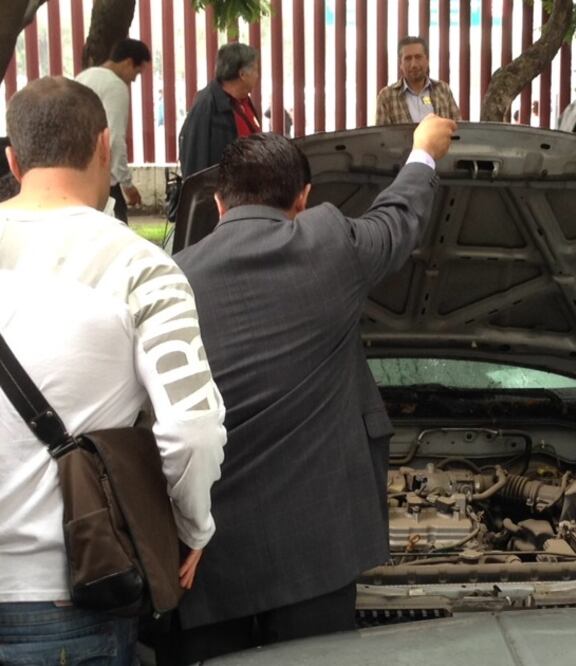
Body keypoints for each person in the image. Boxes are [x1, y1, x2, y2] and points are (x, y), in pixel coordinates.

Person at [169, 115, 456, 661]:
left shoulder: (171, 278)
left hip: (206, 560)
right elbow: (399, 219)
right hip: (316, 554)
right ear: (303, 198)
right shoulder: (331, 243)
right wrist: (423, 151)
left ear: (220, 205)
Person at [0, 77, 225, 664]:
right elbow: (192, 431)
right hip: (68, 604)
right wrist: (192, 530)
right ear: (105, 145)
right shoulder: (142, 269)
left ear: (13, 158)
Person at [75, 38, 150, 223]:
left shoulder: (84, 76)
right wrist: (127, 183)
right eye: (137, 72)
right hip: (103, 178)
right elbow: (114, 138)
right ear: (128, 62)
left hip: (77, 171)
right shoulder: (116, 86)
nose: (134, 79)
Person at [179, 43, 261, 176]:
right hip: (224, 192)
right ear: (242, 74)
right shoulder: (206, 106)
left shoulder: (245, 101)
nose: (257, 76)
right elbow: (194, 162)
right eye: (256, 70)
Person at [376, 36, 461, 125]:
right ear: (400, 64)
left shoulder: (443, 90)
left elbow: (459, 129)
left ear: (427, 60)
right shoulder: (386, 97)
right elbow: (382, 137)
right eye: (408, 58)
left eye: (418, 57)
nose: (414, 65)